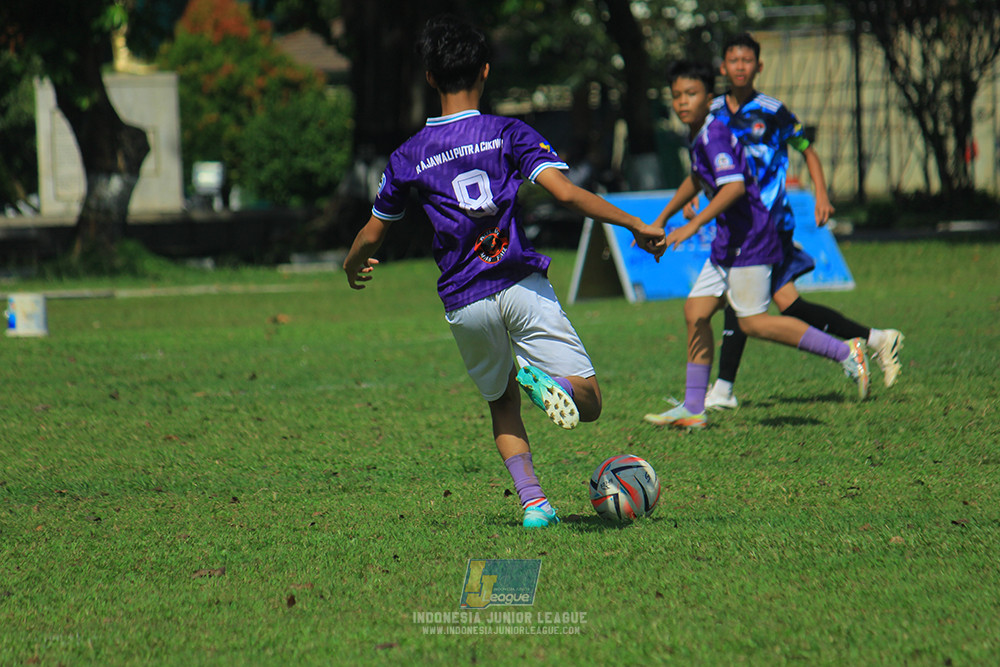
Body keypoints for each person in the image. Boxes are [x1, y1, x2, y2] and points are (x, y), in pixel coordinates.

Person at [343, 15, 665, 528]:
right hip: (519, 283)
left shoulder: (408, 155)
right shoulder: (507, 132)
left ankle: (534, 504)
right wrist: (633, 223)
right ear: (486, 71)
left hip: (464, 301)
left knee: (501, 401)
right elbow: (565, 193)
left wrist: (352, 263)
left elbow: (373, 233)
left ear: (430, 78)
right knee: (590, 401)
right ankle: (554, 382)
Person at [642, 60, 869, 430]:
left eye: (691, 94)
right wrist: (663, 217)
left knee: (753, 323)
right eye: (677, 95)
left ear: (709, 98)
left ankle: (846, 350)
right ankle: (694, 408)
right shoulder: (699, 134)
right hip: (729, 240)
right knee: (696, 312)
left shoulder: (714, 135)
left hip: (751, 239)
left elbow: (732, 187)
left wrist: (693, 224)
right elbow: (697, 177)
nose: (682, 101)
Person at [687, 32, 903, 410]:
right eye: (733, 60)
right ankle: (876, 339)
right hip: (738, 224)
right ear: (723, 67)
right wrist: (694, 192)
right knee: (777, 304)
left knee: (754, 305)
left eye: (747, 60)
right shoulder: (712, 109)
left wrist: (821, 193)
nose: (740, 67)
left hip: (769, 223)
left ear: (759, 66)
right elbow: (704, 160)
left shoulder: (773, 111)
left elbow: (807, 150)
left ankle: (723, 389)